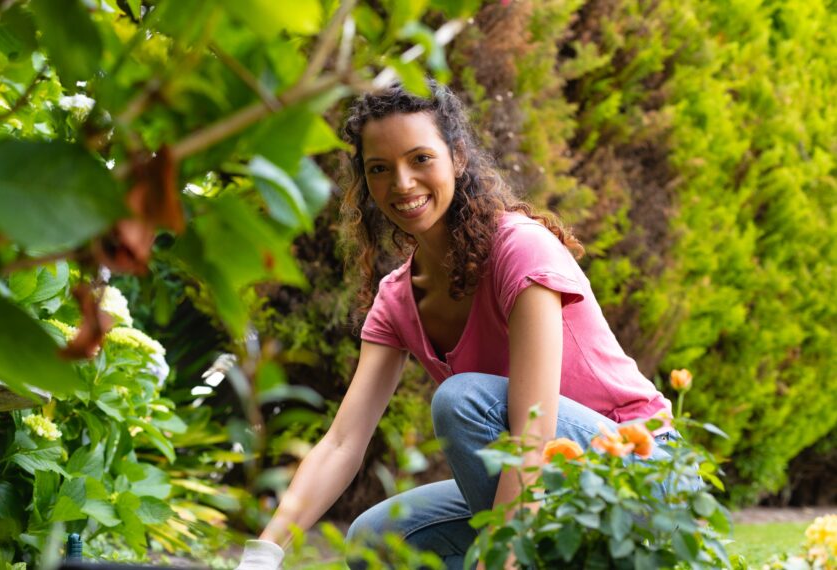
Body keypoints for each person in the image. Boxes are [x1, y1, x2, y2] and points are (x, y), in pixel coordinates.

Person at [235, 80, 678, 570]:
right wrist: (262, 554)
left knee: (463, 401)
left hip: (643, 470)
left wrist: (501, 559)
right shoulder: (397, 298)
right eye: (379, 169)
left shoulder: (520, 249)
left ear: (458, 158)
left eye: (420, 158)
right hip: (553, 477)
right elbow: (342, 443)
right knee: (374, 539)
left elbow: (534, 433)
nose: (402, 183)